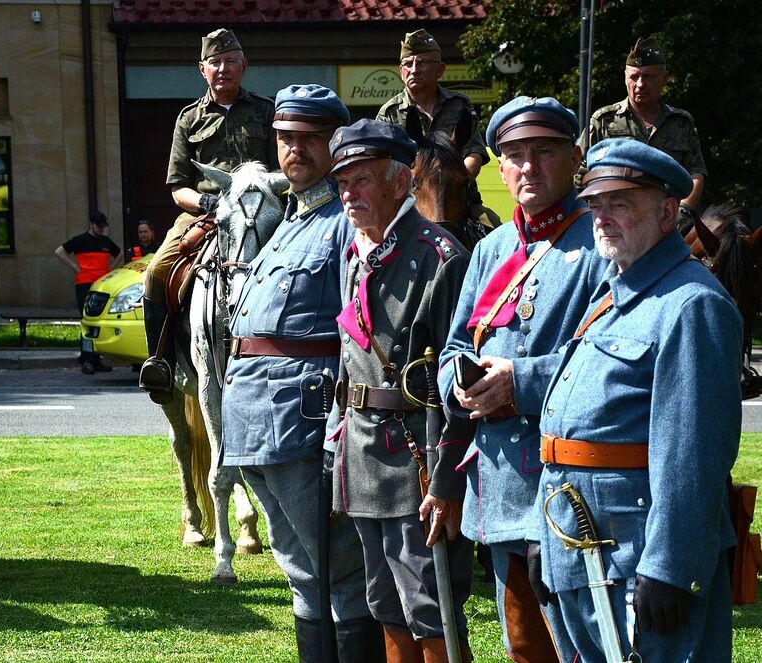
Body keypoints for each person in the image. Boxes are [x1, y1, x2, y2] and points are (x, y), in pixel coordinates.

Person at [530, 138, 742, 662]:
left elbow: (693, 455)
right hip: (582, 549)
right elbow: (566, 433)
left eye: (620, 204)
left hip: (636, 557)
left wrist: (670, 566)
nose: (602, 219)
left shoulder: (691, 304)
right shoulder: (612, 297)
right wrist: (544, 532)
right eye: (596, 205)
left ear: (668, 213)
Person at [434, 96, 608, 662]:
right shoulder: (490, 249)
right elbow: (456, 344)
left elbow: (610, 357)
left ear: (574, 157)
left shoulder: (601, 246)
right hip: (505, 481)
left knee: (581, 641)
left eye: (544, 152)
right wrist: (458, 385)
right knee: (523, 642)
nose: (528, 166)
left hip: (573, 480)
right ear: (500, 169)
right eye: (514, 155)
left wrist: (522, 381)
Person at [221, 85, 383, 663]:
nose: (295, 150)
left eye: (310, 139)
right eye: (286, 138)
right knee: (297, 566)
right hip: (255, 417)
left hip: (304, 416)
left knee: (338, 567)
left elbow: (356, 335)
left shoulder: (344, 224)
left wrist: (342, 425)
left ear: (335, 145)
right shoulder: (288, 220)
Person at [325, 118, 472, 661]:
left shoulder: (440, 257)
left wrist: (446, 479)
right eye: (342, 183)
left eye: (361, 180)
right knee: (384, 603)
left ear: (400, 180)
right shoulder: (356, 251)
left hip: (418, 461)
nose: (348, 194)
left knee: (430, 606)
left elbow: (456, 384)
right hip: (361, 453)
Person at [139, 28, 278, 402]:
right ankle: (160, 365)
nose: (223, 68)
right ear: (203, 70)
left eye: (230, 61)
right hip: (205, 213)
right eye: (215, 62)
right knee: (155, 274)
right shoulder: (188, 119)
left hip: (259, 211)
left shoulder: (267, 112)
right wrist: (207, 205)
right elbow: (177, 186)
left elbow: (283, 173)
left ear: (244, 66)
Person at [582, 37, 707, 233]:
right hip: (615, 222)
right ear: (625, 78)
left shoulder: (681, 123)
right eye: (634, 77)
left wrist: (682, 211)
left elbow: (696, 175)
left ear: (665, 78)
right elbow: (579, 172)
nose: (640, 84)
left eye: (648, 77)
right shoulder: (603, 120)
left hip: (670, 223)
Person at [376, 30, 488, 179]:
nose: (414, 70)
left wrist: (456, 183)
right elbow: (381, 161)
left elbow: (474, 152)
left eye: (422, 62)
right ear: (401, 71)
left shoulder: (459, 105)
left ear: (440, 70)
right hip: (408, 196)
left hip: (457, 195)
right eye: (408, 64)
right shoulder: (389, 112)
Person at [55, 211, 121, 374]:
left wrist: (111, 270)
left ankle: (95, 359)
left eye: (103, 227)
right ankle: (87, 359)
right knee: (87, 321)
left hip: (103, 286)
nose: (101, 230)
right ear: (91, 224)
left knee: (98, 322)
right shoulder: (80, 240)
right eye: (98, 226)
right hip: (85, 285)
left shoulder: (106, 241)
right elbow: (59, 251)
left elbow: (119, 253)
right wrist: (75, 268)